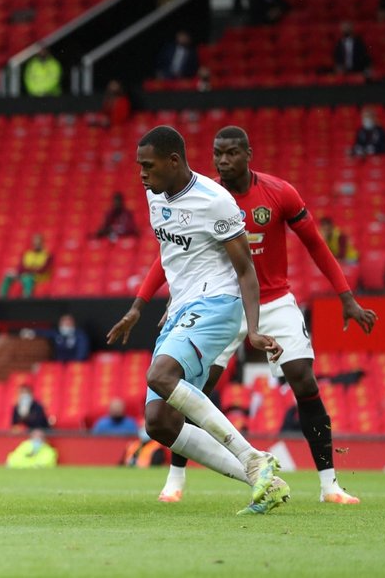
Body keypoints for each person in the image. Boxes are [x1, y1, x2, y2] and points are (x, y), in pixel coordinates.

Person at [133, 125, 377, 507]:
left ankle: (329, 484)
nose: (223, 161)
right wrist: (148, 303)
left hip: (273, 299)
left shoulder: (277, 193)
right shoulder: (191, 196)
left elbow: (315, 244)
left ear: (248, 154)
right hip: (218, 301)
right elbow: (171, 254)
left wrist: (345, 296)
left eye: (230, 153)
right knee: (193, 389)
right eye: (217, 154)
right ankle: (177, 477)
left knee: (303, 379)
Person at [106, 125, 290, 515]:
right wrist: (139, 306)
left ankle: (253, 457)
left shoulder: (216, 200)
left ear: (174, 161)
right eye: (140, 166)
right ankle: (264, 479)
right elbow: (169, 254)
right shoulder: (155, 196)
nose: (141, 174)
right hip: (180, 309)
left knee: (159, 375)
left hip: (218, 303)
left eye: (148, 166)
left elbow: (246, 270)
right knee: (158, 422)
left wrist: (253, 329)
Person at [0, 232, 51, 298]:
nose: (36, 244)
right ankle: (1, 299)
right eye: (35, 242)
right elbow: (20, 268)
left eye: (38, 242)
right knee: (8, 275)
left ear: (42, 242)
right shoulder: (27, 254)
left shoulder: (47, 255)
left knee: (28, 278)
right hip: (25, 274)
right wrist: (30, 269)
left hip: (38, 277)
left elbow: (42, 269)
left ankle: (26, 299)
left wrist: (29, 269)